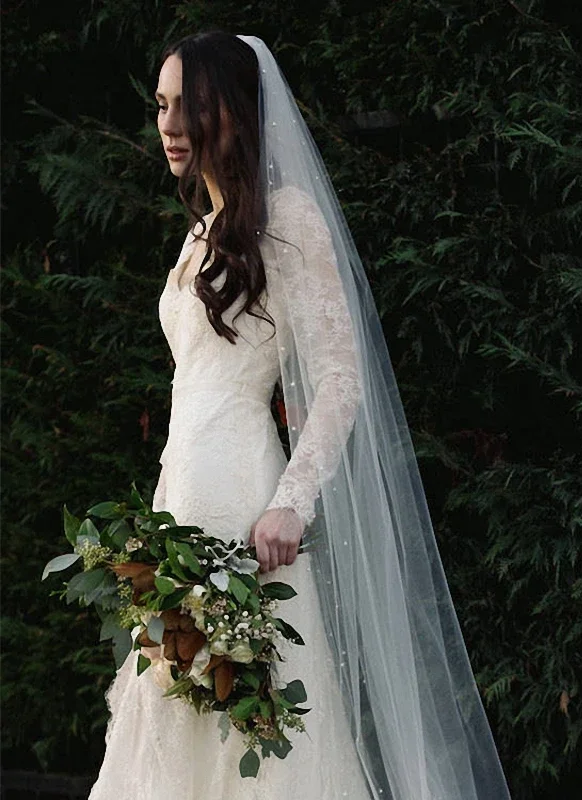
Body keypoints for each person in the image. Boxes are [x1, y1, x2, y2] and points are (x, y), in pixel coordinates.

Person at [88, 31, 511, 800]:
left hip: (245, 502)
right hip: (176, 500)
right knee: (172, 712)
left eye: (192, 104)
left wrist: (291, 501)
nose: (171, 124)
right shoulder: (198, 236)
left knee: (251, 716)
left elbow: (341, 378)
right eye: (162, 104)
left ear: (237, 113)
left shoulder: (288, 221)